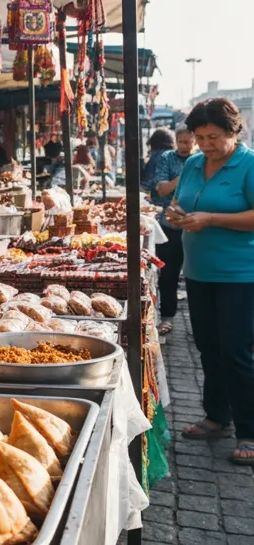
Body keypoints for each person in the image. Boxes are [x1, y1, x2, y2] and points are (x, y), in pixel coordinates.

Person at [166, 97, 254, 466]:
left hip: (240, 274)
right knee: (209, 348)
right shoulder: (194, 164)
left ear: (234, 131)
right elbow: (177, 203)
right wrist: (174, 215)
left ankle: (249, 430)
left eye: (213, 137)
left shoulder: (248, 164)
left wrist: (213, 219)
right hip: (198, 272)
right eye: (199, 137)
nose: (205, 145)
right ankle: (216, 416)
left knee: (237, 351)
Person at [143, 126, 195, 335]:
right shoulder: (167, 158)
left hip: (196, 225)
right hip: (169, 226)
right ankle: (167, 317)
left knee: (195, 276)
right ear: (175, 141)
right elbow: (161, 188)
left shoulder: (201, 159)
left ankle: (199, 321)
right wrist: (185, 176)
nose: (185, 145)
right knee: (170, 273)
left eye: (189, 141)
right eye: (181, 141)